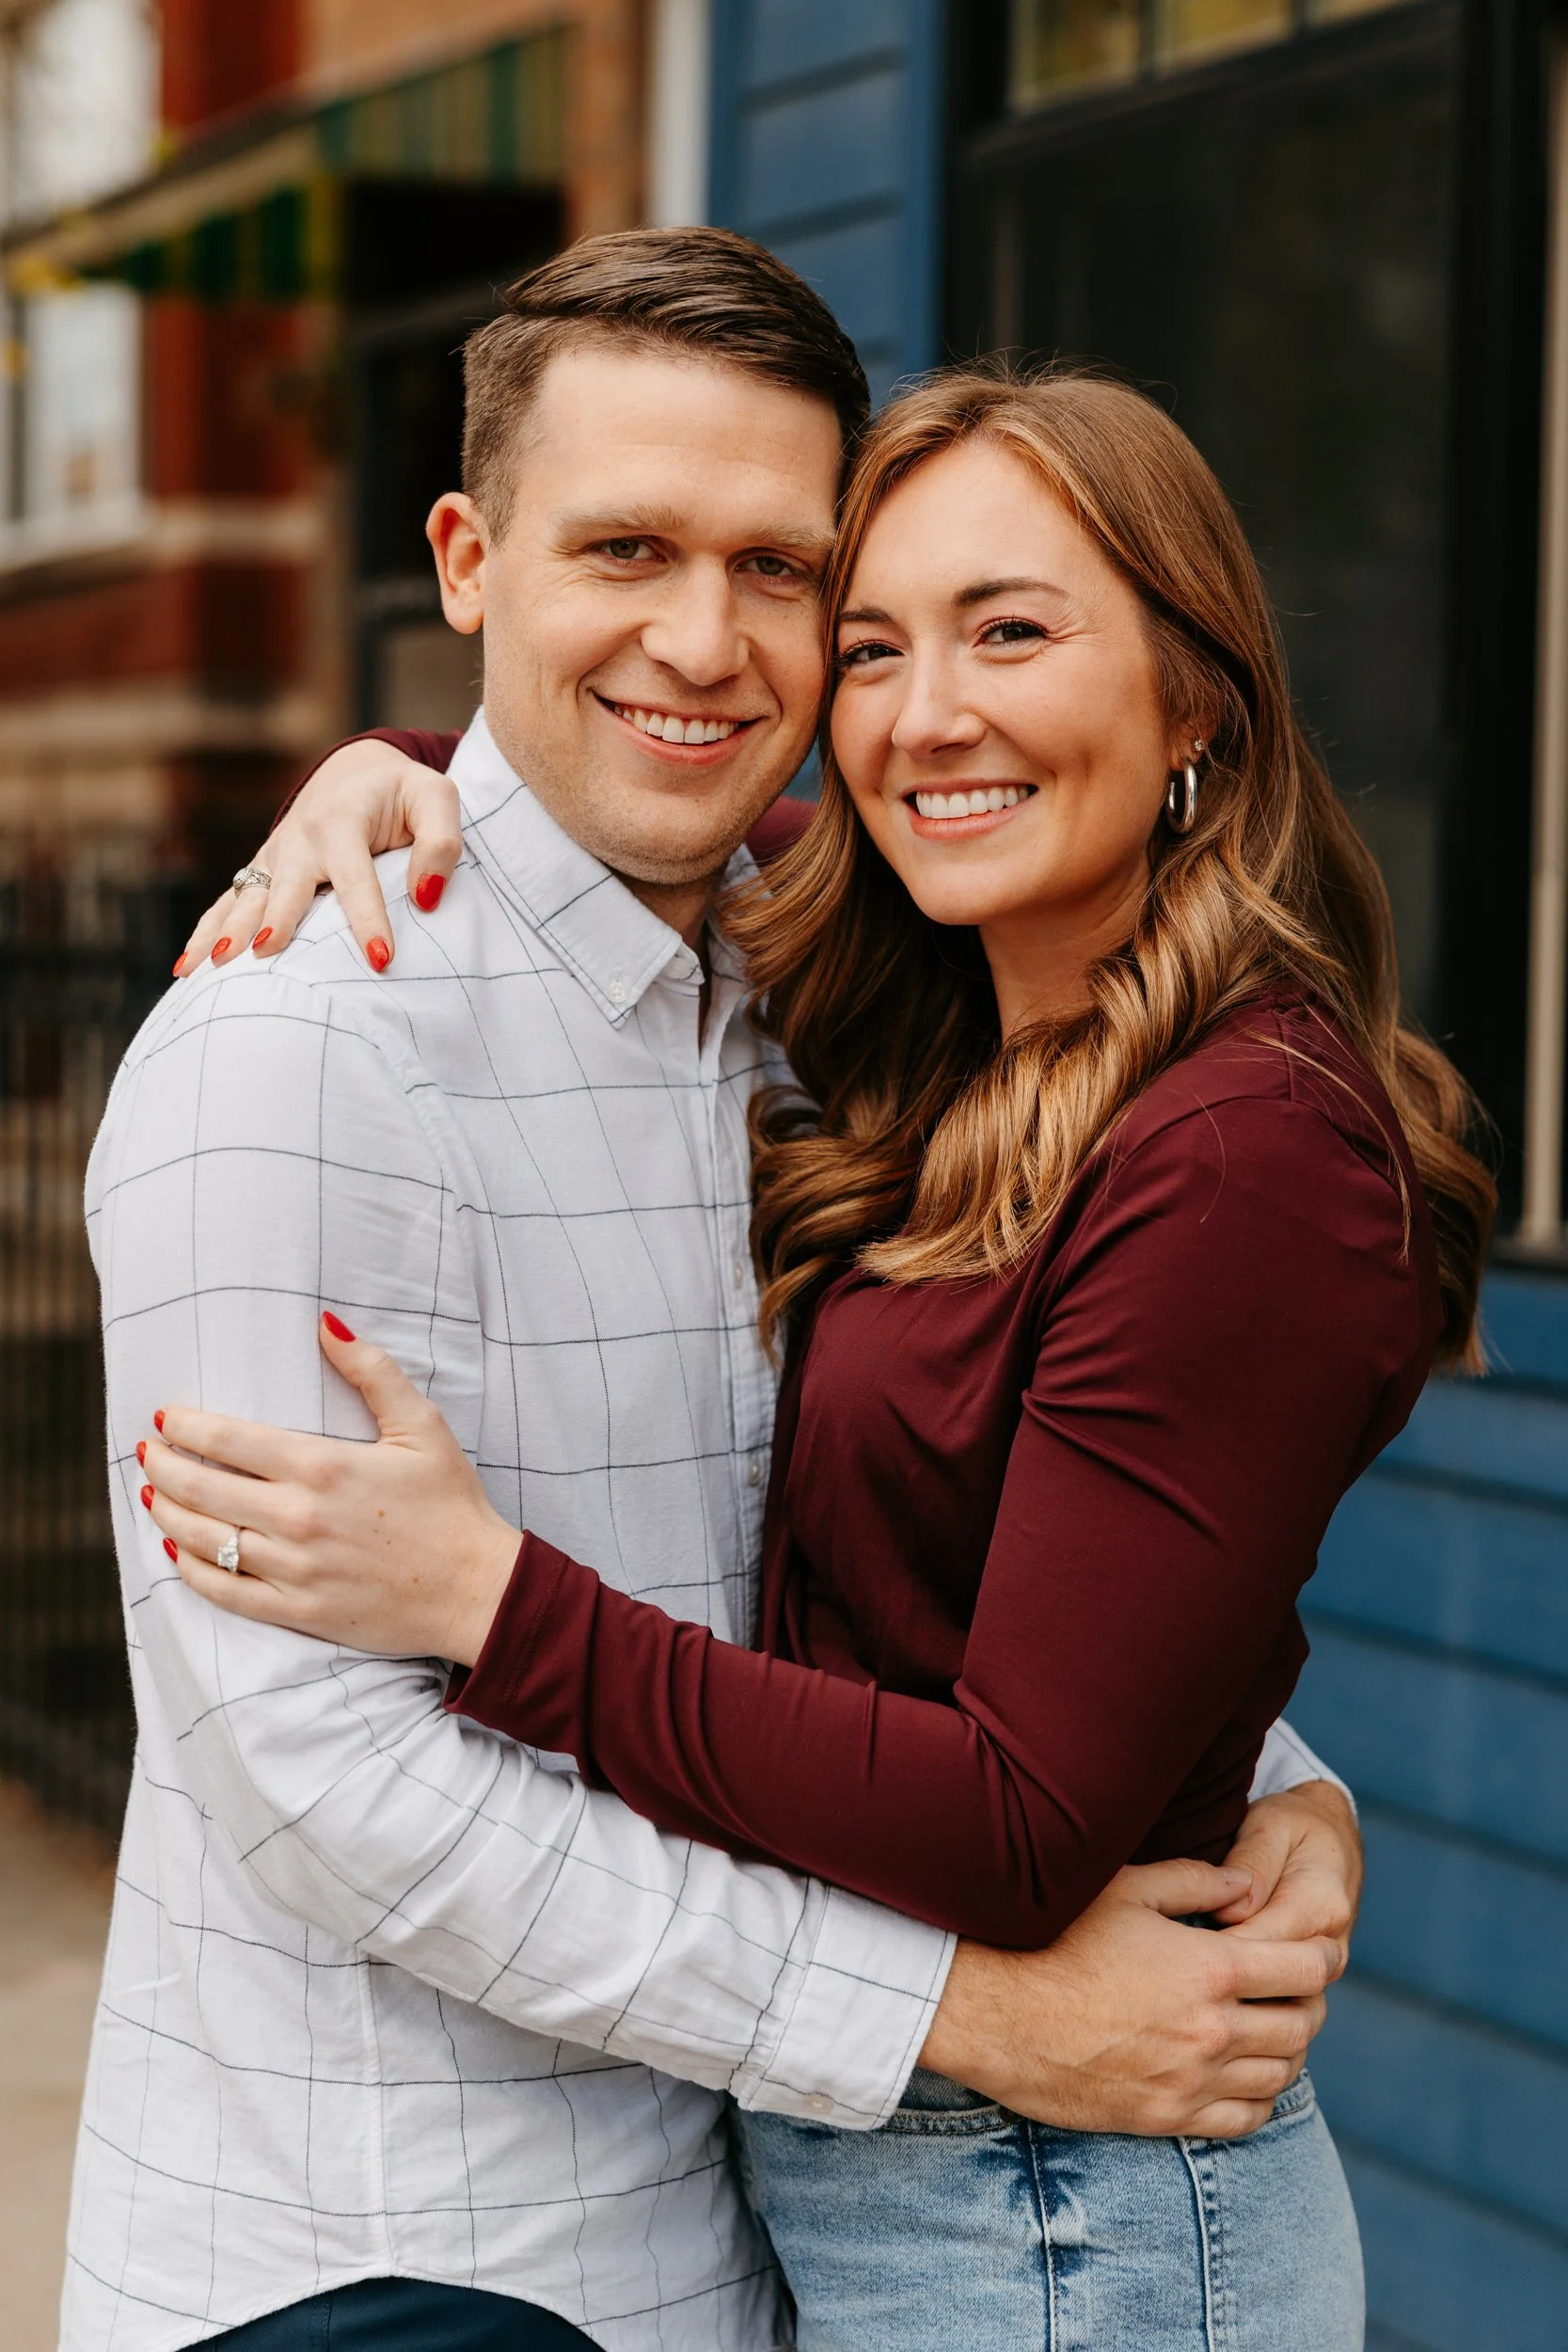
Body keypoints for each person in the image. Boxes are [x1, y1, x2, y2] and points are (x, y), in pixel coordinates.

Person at [83, 231, 1360, 2352]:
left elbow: (913, 1544)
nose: (703, 639)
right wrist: (959, 2008)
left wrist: (1265, 1780)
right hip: (403, 2255)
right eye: (625, 549)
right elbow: (313, 1779)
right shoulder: (300, 1046)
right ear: (467, 560)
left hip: (741, 2251)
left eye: (780, 572)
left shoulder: (818, 1014)